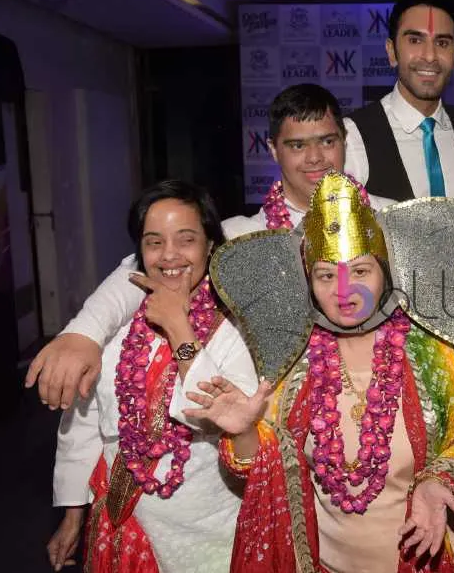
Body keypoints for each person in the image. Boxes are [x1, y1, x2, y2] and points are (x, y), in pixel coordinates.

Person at [182, 171, 454, 573]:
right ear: (309, 283)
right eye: (327, 275)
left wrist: (439, 481)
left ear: (386, 273)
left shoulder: (432, 356)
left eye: (361, 271)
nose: (344, 290)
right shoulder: (292, 368)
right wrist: (242, 434)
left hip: (442, 564)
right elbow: (261, 473)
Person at [26, 83, 391, 411]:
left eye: (327, 141)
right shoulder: (241, 237)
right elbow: (144, 269)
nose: (315, 158)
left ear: (345, 141)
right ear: (273, 150)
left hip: (375, 404)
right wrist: (83, 332)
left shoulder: (387, 220)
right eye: (297, 145)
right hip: (273, 417)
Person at [47, 180, 258, 573]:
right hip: (125, 527)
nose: (170, 256)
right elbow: (88, 419)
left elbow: (214, 416)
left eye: (186, 240)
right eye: (154, 242)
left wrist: (179, 325)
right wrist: (74, 511)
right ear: (139, 253)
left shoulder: (236, 328)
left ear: (210, 246)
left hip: (209, 538)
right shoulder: (117, 325)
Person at [344, 0, 454, 211]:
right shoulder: (354, 134)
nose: (430, 56)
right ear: (392, 51)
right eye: (415, 40)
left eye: (442, 43)